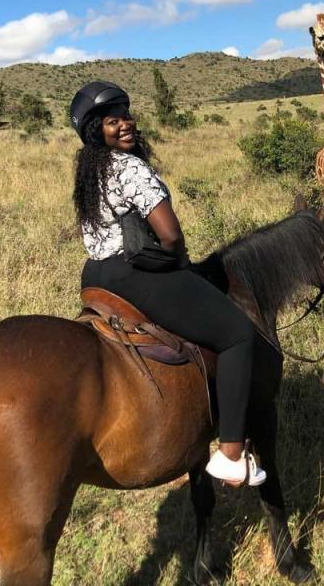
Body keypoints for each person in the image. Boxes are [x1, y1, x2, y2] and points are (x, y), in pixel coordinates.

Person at [69, 81, 266, 487]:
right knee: (238, 333)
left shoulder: (91, 170)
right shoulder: (130, 167)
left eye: (125, 115)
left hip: (95, 276)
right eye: (112, 120)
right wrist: (178, 264)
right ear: (96, 130)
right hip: (134, 273)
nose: (125, 124)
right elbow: (170, 235)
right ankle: (231, 453)